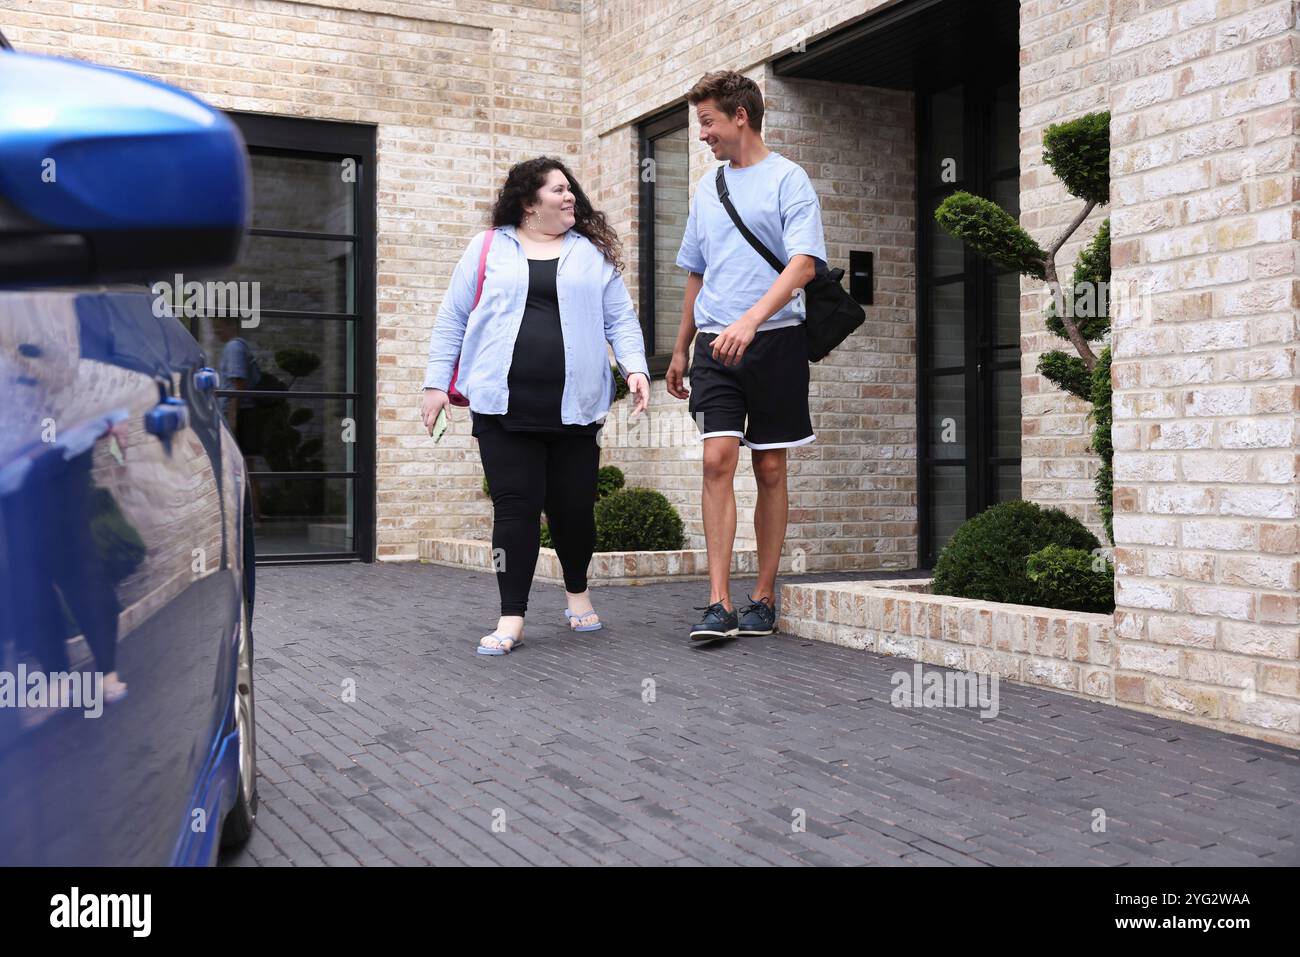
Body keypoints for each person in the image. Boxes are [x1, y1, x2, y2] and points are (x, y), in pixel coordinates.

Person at [422, 157, 650, 656]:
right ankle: (511, 617)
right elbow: (452, 318)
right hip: (502, 407)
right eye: (558, 190)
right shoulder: (486, 248)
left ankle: (577, 592)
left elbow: (621, 320)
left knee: (573, 512)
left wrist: (634, 367)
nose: (570, 197)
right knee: (515, 510)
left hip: (576, 407)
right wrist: (436, 384)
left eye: (570, 190)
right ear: (529, 202)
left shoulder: (590, 254)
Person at [666, 71, 827, 642]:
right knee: (717, 460)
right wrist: (681, 346)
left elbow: (804, 264)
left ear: (740, 115)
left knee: (771, 466)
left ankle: (762, 596)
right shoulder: (709, 188)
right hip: (714, 345)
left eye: (707, 121)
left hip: (777, 341)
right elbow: (696, 271)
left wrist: (752, 320)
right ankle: (718, 602)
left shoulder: (789, 179)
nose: (702, 134)